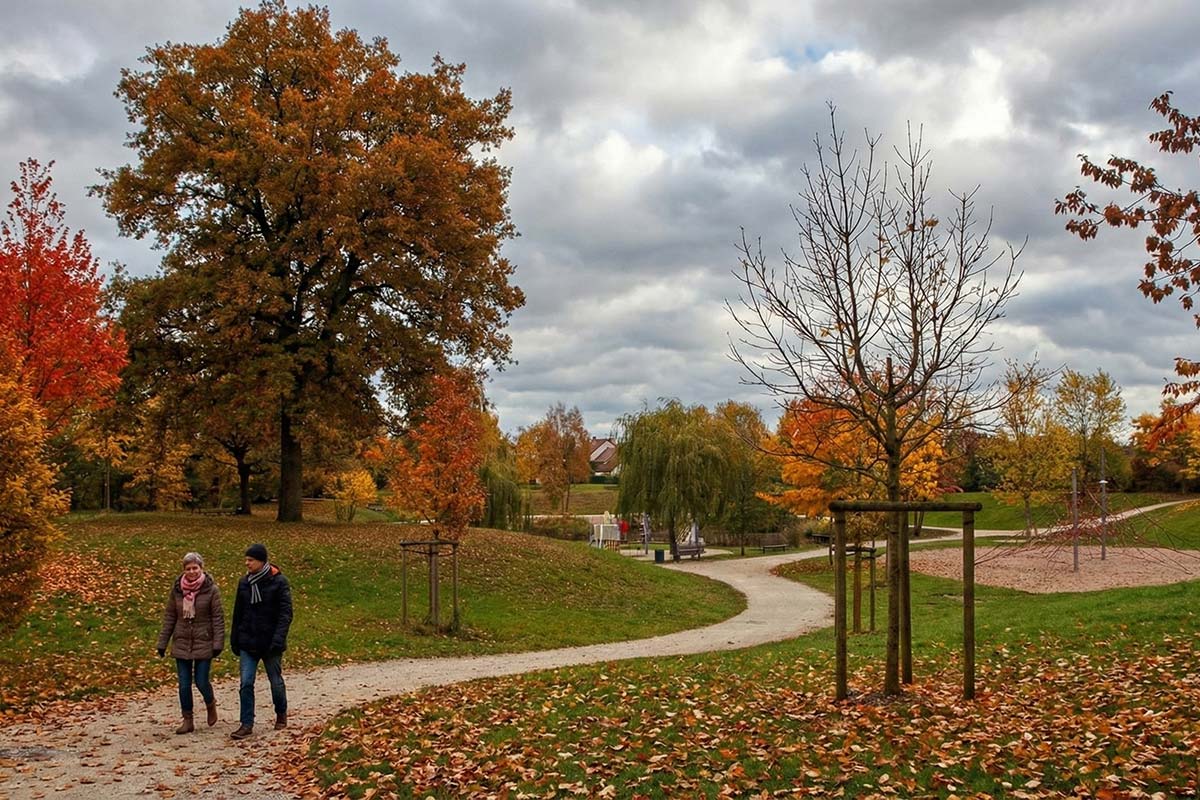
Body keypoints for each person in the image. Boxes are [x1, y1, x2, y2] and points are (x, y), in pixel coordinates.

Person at [229, 542, 293, 739]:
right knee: (246, 683)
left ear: (261, 561)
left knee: (275, 682)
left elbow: (285, 614)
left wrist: (278, 639)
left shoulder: (279, 582)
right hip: (248, 641)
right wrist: (235, 639)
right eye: (246, 560)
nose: (247, 563)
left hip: (270, 643)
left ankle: (281, 713)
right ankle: (246, 723)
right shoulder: (244, 583)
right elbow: (238, 612)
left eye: (251, 560)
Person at [156, 551, 224, 734]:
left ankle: (210, 703)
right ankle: (188, 719)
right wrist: (162, 642)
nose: (192, 572)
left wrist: (218, 643)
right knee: (184, 684)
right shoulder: (177, 590)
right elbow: (170, 616)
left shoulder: (211, 590)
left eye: (195, 568)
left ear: (201, 568)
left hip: (204, 640)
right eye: (188, 569)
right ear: (183, 570)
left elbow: (217, 618)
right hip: (182, 641)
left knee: (201, 681)